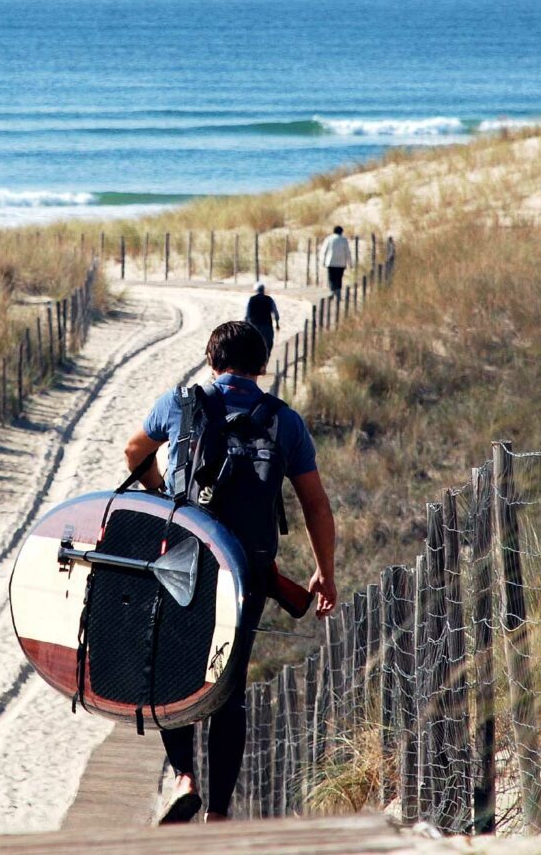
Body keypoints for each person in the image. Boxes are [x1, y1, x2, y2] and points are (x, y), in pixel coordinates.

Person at [123, 321, 337, 824]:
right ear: (262, 366)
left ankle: (184, 778)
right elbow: (315, 505)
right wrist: (325, 572)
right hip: (246, 569)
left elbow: (135, 452)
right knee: (229, 686)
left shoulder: (178, 403)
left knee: (174, 669)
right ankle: (218, 812)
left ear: (210, 360)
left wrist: (157, 494)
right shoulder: (284, 422)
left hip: (182, 557)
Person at [244, 282, 279, 359]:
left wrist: (245, 325)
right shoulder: (269, 299)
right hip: (267, 326)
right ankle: (265, 362)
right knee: (268, 345)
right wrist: (277, 323)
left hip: (254, 327)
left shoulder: (252, 299)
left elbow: (247, 315)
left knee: (254, 346)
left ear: (256, 290)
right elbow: (275, 313)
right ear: (263, 290)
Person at [319, 225, 352, 302]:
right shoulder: (344, 240)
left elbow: (324, 250)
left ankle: (332, 292)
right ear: (341, 232)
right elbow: (347, 253)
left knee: (331, 278)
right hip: (341, 263)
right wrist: (350, 263)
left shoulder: (329, 239)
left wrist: (322, 261)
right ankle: (338, 294)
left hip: (331, 262)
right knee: (339, 278)